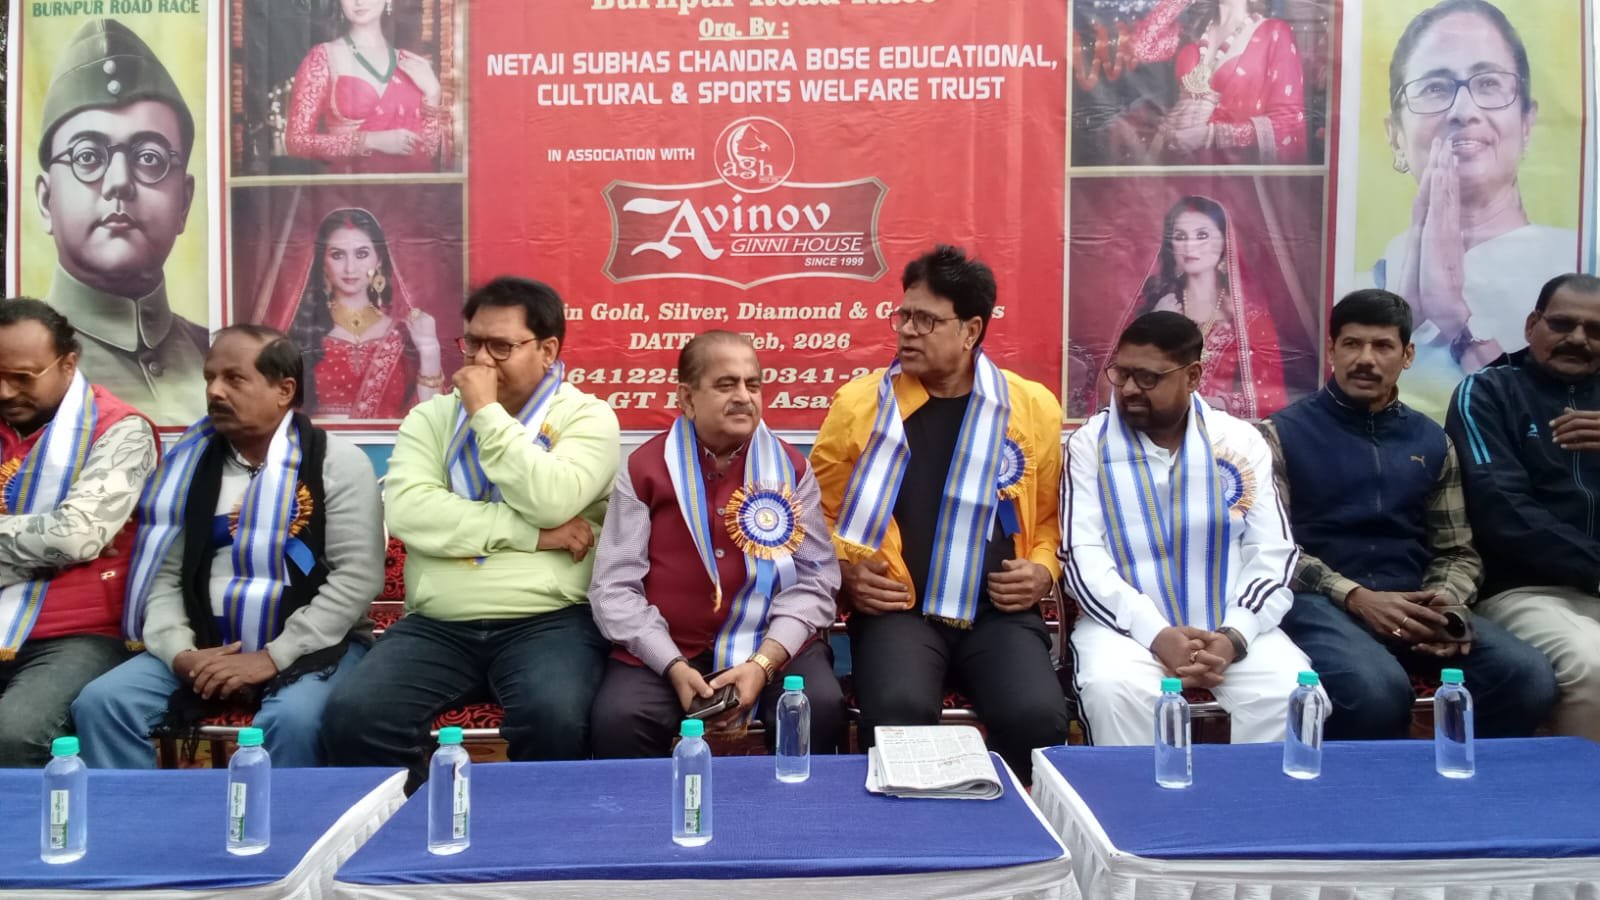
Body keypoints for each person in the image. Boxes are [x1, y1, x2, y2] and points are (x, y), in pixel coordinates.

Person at [321, 277, 620, 785]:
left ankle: (533, 835)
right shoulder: (432, 417)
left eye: (501, 346)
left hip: (548, 621)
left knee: (555, 718)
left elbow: (552, 498)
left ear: (548, 350)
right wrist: (531, 535)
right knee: (355, 717)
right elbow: (410, 512)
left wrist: (485, 413)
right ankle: (417, 826)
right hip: (439, 622)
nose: (481, 360)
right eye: (473, 343)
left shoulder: (587, 417)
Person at [71, 325, 383, 768]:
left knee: (293, 720)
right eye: (209, 378)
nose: (215, 391)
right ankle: (143, 813)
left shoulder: (334, 462)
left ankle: (286, 817)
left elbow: (357, 578)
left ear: (284, 390)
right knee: (103, 704)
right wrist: (180, 653)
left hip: (314, 649)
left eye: (234, 379)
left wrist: (271, 657)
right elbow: (163, 574)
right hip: (205, 647)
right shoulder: (187, 467)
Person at [811, 245, 1068, 781]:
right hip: (898, 612)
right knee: (897, 713)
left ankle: (1012, 831)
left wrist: (1043, 570)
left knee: (1037, 717)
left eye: (925, 320)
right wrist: (846, 571)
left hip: (998, 614)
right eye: (903, 316)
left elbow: (1047, 520)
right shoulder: (860, 406)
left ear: (971, 330)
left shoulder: (1030, 407)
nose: (907, 331)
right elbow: (817, 516)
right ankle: (910, 833)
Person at [1265, 290, 1555, 740]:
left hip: (1415, 603)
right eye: (1352, 344)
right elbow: (1274, 552)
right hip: (1320, 603)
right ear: (1332, 350)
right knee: (1376, 692)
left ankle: (1456, 775)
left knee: (1526, 677)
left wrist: (1446, 606)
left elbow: (1456, 550)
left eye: (1382, 346)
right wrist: (1357, 597)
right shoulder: (1278, 435)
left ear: (1407, 355)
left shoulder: (1432, 441)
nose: (1366, 359)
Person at [1063, 311, 1315, 745]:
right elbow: (1081, 557)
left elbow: (1273, 552)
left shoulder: (1239, 440)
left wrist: (1234, 636)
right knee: (1112, 691)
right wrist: (1156, 633)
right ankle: (1135, 796)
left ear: (1193, 376)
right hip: (1125, 629)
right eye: (1121, 374)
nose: (1128, 389)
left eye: (1147, 378)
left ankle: (1253, 795)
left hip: (1231, 625)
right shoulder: (1089, 444)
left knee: (1293, 694)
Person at [589, 331, 845, 756]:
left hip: (772, 643)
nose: (744, 397)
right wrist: (672, 664)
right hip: (667, 650)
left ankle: (796, 804)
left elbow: (816, 579)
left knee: (817, 706)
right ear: (687, 399)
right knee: (619, 718)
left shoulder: (792, 469)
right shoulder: (644, 469)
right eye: (726, 385)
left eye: (753, 384)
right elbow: (613, 587)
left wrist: (763, 663)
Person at [1373, 0, 1580, 414]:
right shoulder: (1366, 283)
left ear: (1527, 123)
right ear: (1395, 135)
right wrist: (1402, 317)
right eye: (1435, 87)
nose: (1463, 112)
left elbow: (1554, 423)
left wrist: (1456, 322)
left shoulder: (1580, 269)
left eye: (1488, 83)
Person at [0, 299, 157, 766]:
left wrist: (66, 539)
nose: (5, 391)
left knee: (13, 736)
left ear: (68, 364)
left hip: (78, 635)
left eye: (23, 376)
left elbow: (76, 536)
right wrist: (45, 537)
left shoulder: (122, 432)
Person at [1446, 273, 1600, 741]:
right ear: (1533, 324)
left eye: (1595, 330)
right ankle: (1576, 789)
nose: (1579, 339)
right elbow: (1503, 510)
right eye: (1563, 324)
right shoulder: (1487, 392)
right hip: (1525, 590)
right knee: (1592, 663)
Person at [33, 19, 206, 425]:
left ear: (184, 202)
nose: (119, 182)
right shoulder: (19, 364)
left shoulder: (213, 354)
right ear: (45, 200)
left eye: (149, 158)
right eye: (87, 157)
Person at [1103, 196, 1289, 419]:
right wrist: (1156, 326)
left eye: (1202, 235)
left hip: (1219, 433)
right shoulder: (1156, 306)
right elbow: (1111, 385)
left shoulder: (1250, 320)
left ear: (1225, 243)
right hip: (1151, 428)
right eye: (1180, 237)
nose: (1190, 246)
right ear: (1171, 247)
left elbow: (1270, 399)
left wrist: (1195, 403)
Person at [284, 208, 444, 419]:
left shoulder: (403, 334)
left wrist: (430, 351)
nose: (350, 268)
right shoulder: (304, 332)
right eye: (337, 255)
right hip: (319, 440)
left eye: (361, 254)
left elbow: (432, 419)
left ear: (378, 260)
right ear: (322, 264)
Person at [1133, 0, 1307, 164]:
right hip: (1174, 162)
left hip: (1231, 173)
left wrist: (1211, 136)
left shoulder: (1274, 32)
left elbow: (1289, 123)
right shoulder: (1192, 33)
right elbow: (1144, 48)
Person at [285, 0, 447, 174]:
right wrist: (370, 141)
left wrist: (433, 94)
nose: (359, 2)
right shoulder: (323, 57)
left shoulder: (410, 63)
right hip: (350, 186)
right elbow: (296, 142)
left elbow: (427, 151)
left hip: (405, 186)